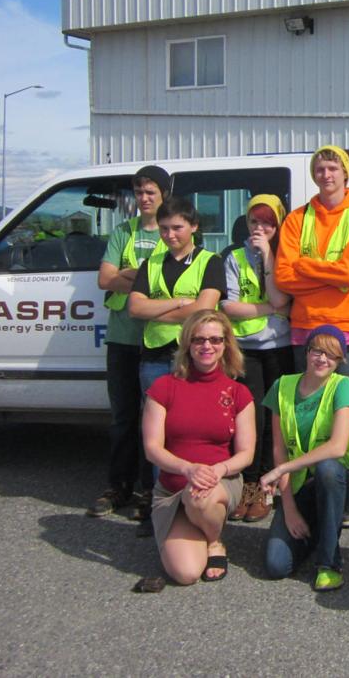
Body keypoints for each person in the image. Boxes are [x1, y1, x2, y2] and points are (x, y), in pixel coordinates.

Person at [275, 145, 349, 529]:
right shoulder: (297, 218)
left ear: (345, 174)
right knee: (306, 417)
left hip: (346, 329)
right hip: (305, 330)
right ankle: (309, 487)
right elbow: (283, 277)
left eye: (333, 167)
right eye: (320, 167)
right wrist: (328, 273)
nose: (326, 173)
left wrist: (307, 268)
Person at [138, 310, 255, 587]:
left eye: (215, 339)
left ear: (226, 344)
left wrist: (218, 470)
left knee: (200, 498)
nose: (207, 346)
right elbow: (152, 448)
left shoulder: (238, 393)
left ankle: (214, 541)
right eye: (199, 339)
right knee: (186, 574)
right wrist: (187, 468)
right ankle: (197, 525)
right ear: (187, 344)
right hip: (172, 487)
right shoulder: (163, 387)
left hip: (219, 483)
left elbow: (246, 454)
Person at [88, 165, 170, 520]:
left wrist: (129, 274)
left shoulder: (171, 231)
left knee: (153, 419)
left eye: (151, 192)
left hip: (157, 339)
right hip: (122, 337)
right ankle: (119, 484)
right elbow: (105, 279)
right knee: (122, 417)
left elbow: (170, 276)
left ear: (163, 193)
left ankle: (151, 490)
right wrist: (140, 278)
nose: (144, 198)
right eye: (139, 193)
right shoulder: (123, 230)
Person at [259, 324, 349, 592]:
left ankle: (329, 563)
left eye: (331, 355)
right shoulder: (282, 386)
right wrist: (289, 510)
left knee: (327, 468)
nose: (322, 359)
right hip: (298, 486)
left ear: (339, 362)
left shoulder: (343, 386)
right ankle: (317, 532)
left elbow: (338, 447)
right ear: (307, 352)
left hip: (335, 481)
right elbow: (279, 451)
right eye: (317, 350)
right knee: (277, 565)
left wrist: (281, 470)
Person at [221, 194, 293, 523]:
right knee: (251, 422)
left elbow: (282, 297)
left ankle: (265, 489)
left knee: (273, 422)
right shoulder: (234, 257)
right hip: (246, 349)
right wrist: (271, 309)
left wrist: (266, 257)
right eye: (254, 222)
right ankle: (248, 488)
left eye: (267, 222)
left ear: (277, 225)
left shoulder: (284, 256)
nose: (259, 228)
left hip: (279, 348)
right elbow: (230, 307)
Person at [128, 197, 226, 395]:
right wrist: (179, 302)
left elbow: (202, 310)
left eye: (177, 228)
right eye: (164, 228)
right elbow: (135, 308)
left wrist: (152, 311)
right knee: (155, 417)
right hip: (155, 357)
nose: (169, 235)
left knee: (195, 416)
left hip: (197, 356)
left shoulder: (211, 262)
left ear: (194, 226)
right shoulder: (150, 264)